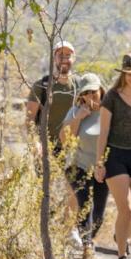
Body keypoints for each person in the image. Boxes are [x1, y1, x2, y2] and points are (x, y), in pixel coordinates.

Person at [95, 55, 131, 259]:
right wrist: (99, 162)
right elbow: (104, 131)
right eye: (130, 74)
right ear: (123, 74)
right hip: (115, 156)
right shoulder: (111, 97)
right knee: (124, 210)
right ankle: (122, 255)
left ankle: (121, 236)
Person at [26, 39, 81, 246]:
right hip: (46, 146)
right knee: (47, 192)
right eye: (60, 55)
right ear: (54, 58)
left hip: (71, 146)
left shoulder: (79, 85)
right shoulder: (42, 85)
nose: (64, 59)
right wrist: (35, 144)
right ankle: (45, 235)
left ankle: (70, 230)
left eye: (68, 55)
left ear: (73, 58)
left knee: (73, 187)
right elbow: (30, 119)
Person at [59, 72, 109, 259]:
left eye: (93, 91)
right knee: (84, 206)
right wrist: (78, 118)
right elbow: (65, 140)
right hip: (77, 166)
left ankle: (89, 238)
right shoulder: (74, 111)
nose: (90, 96)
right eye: (86, 93)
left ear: (100, 90)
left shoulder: (107, 110)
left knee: (99, 211)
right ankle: (87, 245)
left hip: (102, 167)